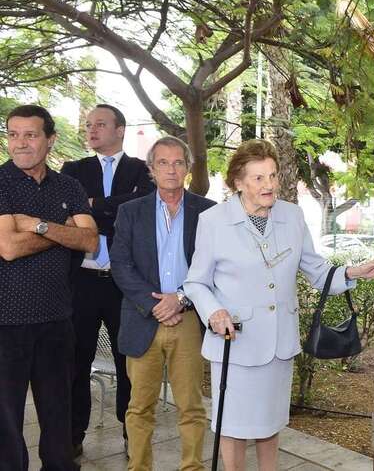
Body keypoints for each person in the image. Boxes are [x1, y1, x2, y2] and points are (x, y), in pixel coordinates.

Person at [184, 140, 374, 470]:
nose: (270, 185)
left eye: (272, 176)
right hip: (237, 343)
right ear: (238, 182)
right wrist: (214, 311)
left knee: (269, 426)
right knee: (233, 428)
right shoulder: (213, 221)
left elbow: (317, 272)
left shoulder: (292, 215)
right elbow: (196, 282)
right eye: (259, 178)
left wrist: (353, 271)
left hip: (279, 344)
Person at [0, 105, 99, 470]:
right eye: (13, 134)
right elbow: (9, 248)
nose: (20, 143)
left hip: (58, 320)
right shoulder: (1, 182)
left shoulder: (69, 185)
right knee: (6, 422)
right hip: (6, 324)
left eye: (30, 134)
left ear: (50, 139)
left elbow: (91, 241)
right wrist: (63, 231)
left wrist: (37, 225)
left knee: (59, 415)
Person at [109, 136, 215, 470]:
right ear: (151, 169)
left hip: (188, 319)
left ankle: (192, 467)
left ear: (188, 167)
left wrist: (180, 299)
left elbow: (217, 266)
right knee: (139, 407)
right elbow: (120, 264)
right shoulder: (130, 211)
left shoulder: (209, 212)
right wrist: (154, 304)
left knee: (192, 406)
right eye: (163, 163)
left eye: (178, 162)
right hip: (143, 318)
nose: (171, 169)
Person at [61, 103, 155, 456]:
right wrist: (117, 206)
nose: (91, 130)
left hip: (125, 284)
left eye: (100, 124)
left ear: (120, 129)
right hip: (81, 282)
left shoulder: (141, 170)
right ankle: (72, 437)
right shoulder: (72, 170)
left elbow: (142, 207)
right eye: (88, 125)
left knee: (128, 361)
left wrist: (92, 205)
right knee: (76, 361)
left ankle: (132, 435)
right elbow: (69, 214)